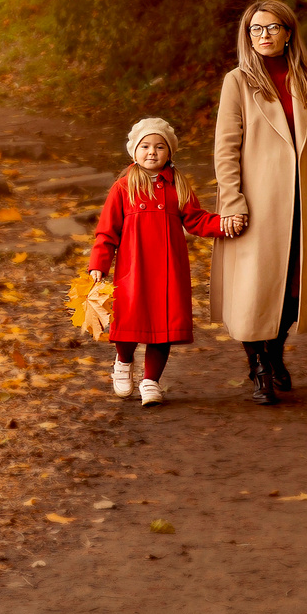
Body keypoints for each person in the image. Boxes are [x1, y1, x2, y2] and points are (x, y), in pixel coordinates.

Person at [210, 0, 307, 405]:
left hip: (300, 202)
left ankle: (275, 352)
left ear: (288, 33)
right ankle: (259, 367)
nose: (263, 36)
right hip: (255, 202)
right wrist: (232, 201)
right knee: (254, 289)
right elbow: (226, 148)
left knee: (292, 291)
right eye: (255, 30)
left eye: (272, 28)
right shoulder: (238, 81)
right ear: (247, 37)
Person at [87, 117, 238, 407]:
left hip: (169, 269)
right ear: (134, 151)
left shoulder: (178, 186)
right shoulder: (123, 187)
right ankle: (123, 361)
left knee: (163, 325)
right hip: (134, 268)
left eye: (159, 146)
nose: (152, 152)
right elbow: (107, 231)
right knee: (129, 319)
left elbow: (196, 219)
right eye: (145, 146)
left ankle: (150, 380)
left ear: (170, 152)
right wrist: (99, 265)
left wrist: (224, 223)